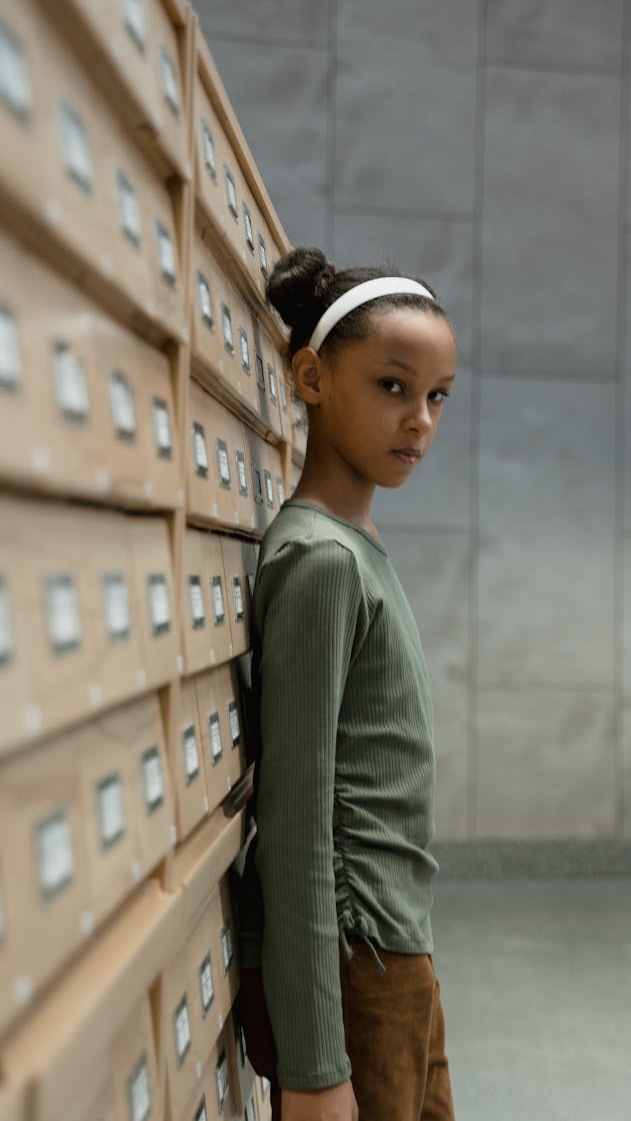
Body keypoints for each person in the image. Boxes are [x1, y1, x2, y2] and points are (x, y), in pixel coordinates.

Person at [235, 246, 457, 1121]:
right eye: (392, 386)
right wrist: (317, 1066)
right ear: (312, 376)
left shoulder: (352, 550)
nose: (420, 421)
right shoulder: (321, 560)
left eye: (437, 395)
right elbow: (292, 820)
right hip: (354, 959)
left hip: (396, 946)